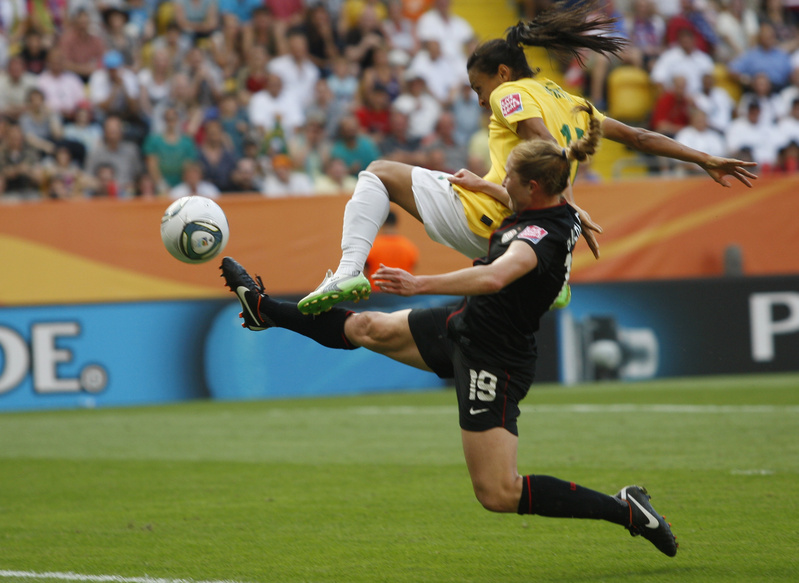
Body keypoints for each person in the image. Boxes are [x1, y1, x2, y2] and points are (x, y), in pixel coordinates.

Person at [220, 112, 678, 558]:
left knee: (498, 492)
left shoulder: (539, 236)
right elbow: (519, 207)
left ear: (533, 187)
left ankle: (627, 512)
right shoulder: (551, 205)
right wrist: (485, 187)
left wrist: (420, 284)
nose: (503, 182)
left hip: (495, 359)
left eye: (510, 178)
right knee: (366, 327)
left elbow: (497, 276)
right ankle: (264, 310)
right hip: (464, 326)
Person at [297, 0, 758, 316]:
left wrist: (567, 208)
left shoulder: (510, 95)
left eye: (479, 89)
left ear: (500, 73)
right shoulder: (574, 101)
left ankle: (347, 272)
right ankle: (556, 277)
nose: (481, 102)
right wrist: (703, 158)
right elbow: (637, 136)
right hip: (525, 233)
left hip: (489, 215)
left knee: (377, 173)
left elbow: (540, 142)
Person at [364, 210, 419, 285]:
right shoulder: (408, 247)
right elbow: (412, 267)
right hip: (401, 291)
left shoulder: (373, 246)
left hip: (377, 291)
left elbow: (365, 271)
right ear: (396, 223)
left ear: (382, 223)